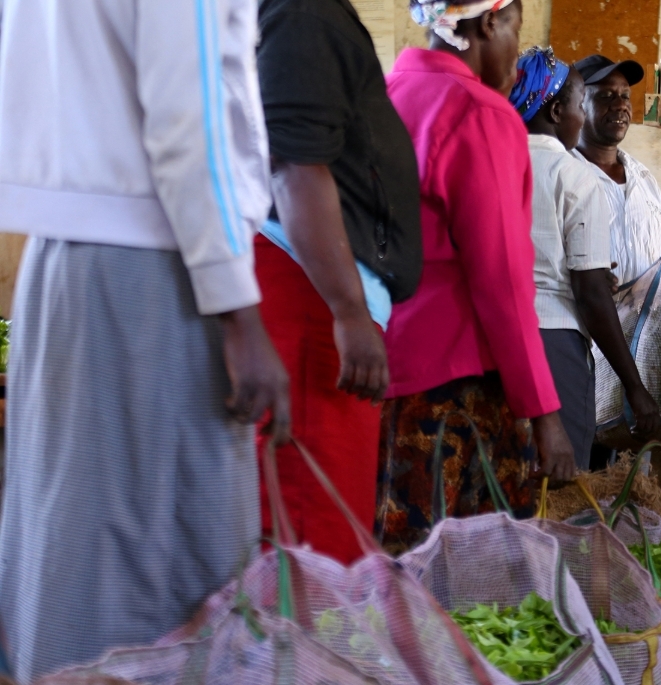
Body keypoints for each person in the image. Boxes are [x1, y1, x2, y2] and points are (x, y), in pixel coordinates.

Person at [0, 0, 291, 679]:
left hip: (64, 258)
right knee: (160, 559)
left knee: (77, 538)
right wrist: (239, 308)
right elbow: (188, 113)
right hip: (154, 270)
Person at [378, 0, 576, 551]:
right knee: (475, 584)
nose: (517, 53)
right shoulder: (480, 114)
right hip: (458, 395)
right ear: (489, 23)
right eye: (516, 28)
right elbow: (503, 283)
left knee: (399, 568)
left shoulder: (387, 93)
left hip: (384, 377)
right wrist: (545, 413)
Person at [255, 0, 422, 565]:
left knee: (327, 530)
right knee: (313, 541)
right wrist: (348, 310)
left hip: (318, 298)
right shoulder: (304, 11)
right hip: (312, 304)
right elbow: (296, 166)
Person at [508, 47, 659, 471]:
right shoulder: (573, 175)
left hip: (493, 337)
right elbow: (591, 291)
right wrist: (634, 387)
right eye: (581, 104)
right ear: (558, 110)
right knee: (559, 478)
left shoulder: (491, 161)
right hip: (554, 339)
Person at [572, 54, 661, 287]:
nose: (620, 105)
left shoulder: (642, 177)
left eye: (625, 96)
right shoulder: (564, 174)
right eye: (606, 96)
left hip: (649, 322)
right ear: (576, 104)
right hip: (584, 321)